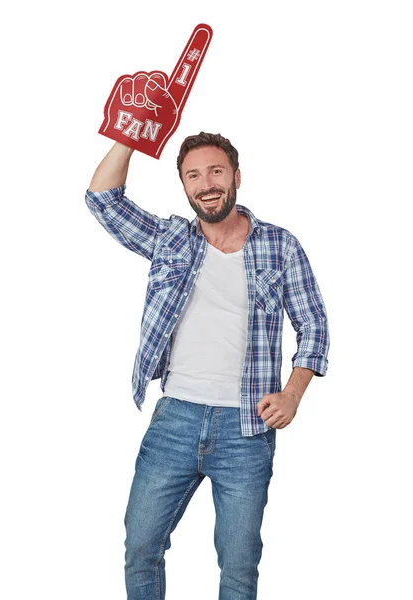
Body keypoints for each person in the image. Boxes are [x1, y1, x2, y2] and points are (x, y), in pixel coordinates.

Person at [85, 132, 330, 599]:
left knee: (238, 567)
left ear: (236, 177)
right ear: (184, 186)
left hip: (247, 430)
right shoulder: (170, 238)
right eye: (193, 176)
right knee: (141, 548)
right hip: (174, 419)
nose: (206, 183)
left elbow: (314, 326)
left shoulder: (280, 245)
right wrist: (130, 135)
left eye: (216, 171)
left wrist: (294, 393)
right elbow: (102, 200)